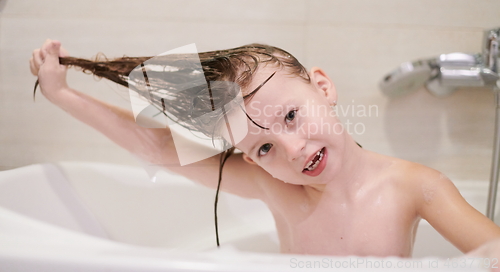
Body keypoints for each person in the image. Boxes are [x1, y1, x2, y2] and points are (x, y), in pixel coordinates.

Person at [29, 39, 500, 258]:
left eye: (291, 116)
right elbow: (159, 146)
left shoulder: (415, 187)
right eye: (264, 149)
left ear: (322, 85)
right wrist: (62, 94)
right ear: (250, 159)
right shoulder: (274, 188)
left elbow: (492, 254)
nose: (293, 151)